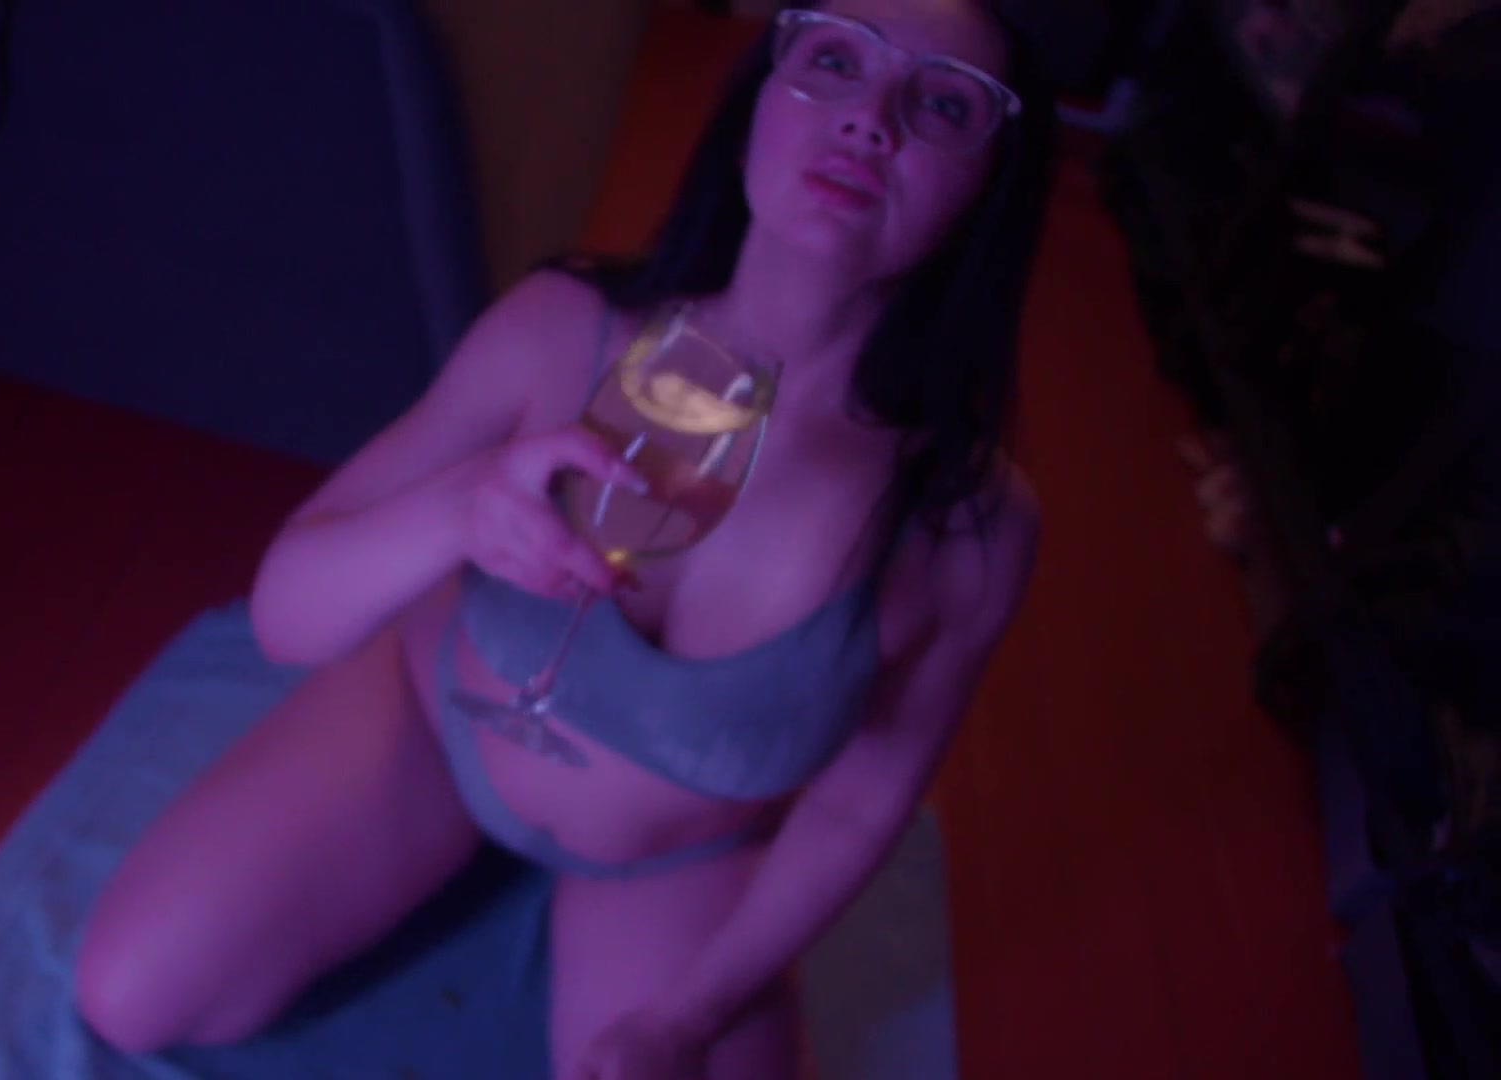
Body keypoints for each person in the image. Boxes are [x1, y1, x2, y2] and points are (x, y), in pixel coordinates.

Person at [74, 0, 1057, 1076]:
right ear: (757, 104)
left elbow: (861, 806)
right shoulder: (562, 329)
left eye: (943, 104)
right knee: (130, 994)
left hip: (672, 858)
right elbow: (285, 615)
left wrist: (685, 1019)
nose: (871, 116)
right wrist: (457, 508)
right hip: (436, 729)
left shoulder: (966, 527)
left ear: (992, 186)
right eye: (834, 57)